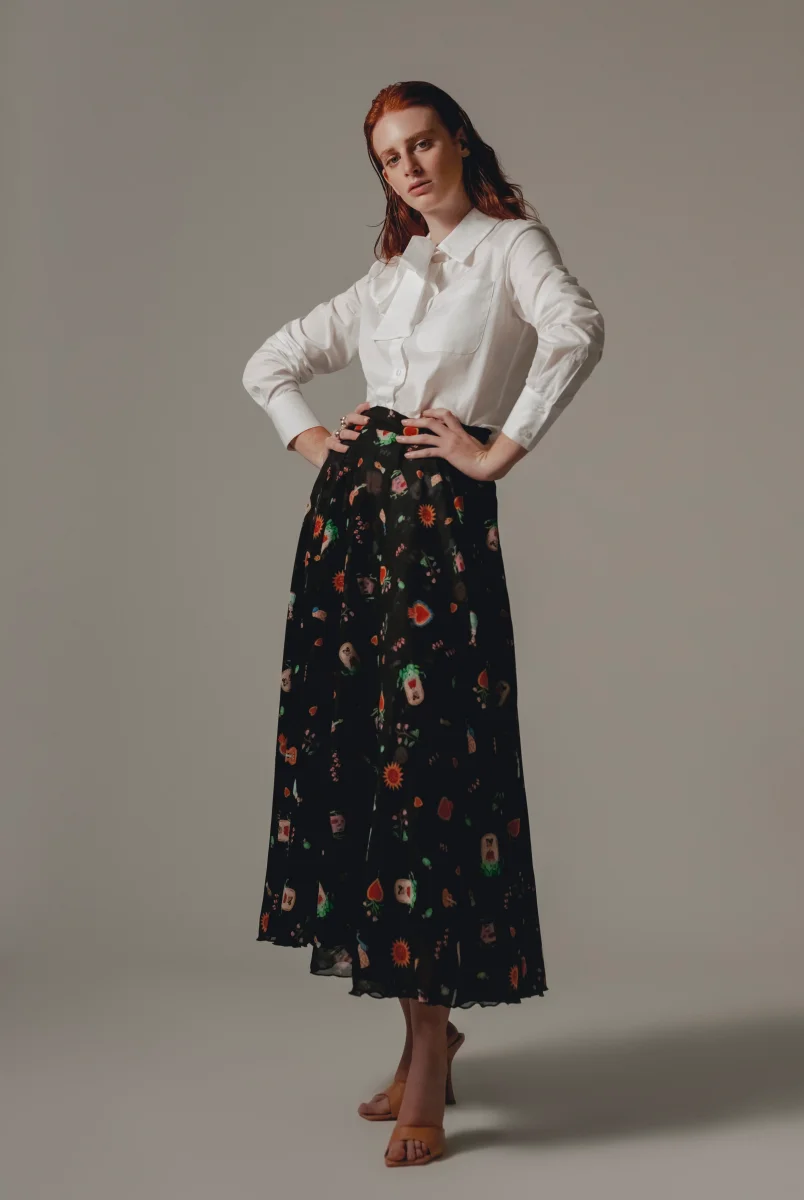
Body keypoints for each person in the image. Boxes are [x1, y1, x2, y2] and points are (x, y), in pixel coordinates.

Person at [241, 80, 605, 1168]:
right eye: (387, 156)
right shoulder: (388, 272)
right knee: (366, 775)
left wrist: (496, 449)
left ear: (459, 144)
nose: (406, 166)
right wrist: (318, 441)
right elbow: (268, 364)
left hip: (437, 535)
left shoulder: (509, 247)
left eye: (421, 143)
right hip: (349, 534)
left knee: (430, 778)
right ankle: (424, 1038)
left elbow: (576, 329)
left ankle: (429, 1061)